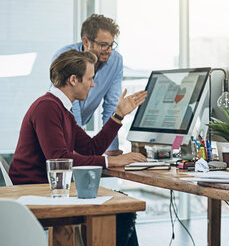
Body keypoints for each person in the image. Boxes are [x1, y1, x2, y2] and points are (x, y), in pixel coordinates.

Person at [9, 49, 147, 246]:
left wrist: (118, 115)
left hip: (49, 190)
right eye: (90, 78)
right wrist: (111, 160)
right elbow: (59, 160)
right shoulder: (47, 107)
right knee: (121, 210)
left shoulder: (62, 110)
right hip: (34, 191)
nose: (93, 85)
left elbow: (90, 149)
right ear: (73, 79)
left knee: (122, 207)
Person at [52, 14, 124, 156]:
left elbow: (111, 105)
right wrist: (78, 148)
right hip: (61, 127)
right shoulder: (66, 58)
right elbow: (72, 105)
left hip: (76, 130)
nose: (109, 50)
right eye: (103, 45)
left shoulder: (115, 61)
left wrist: (112, 150)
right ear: (86, 41)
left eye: (111, 45)